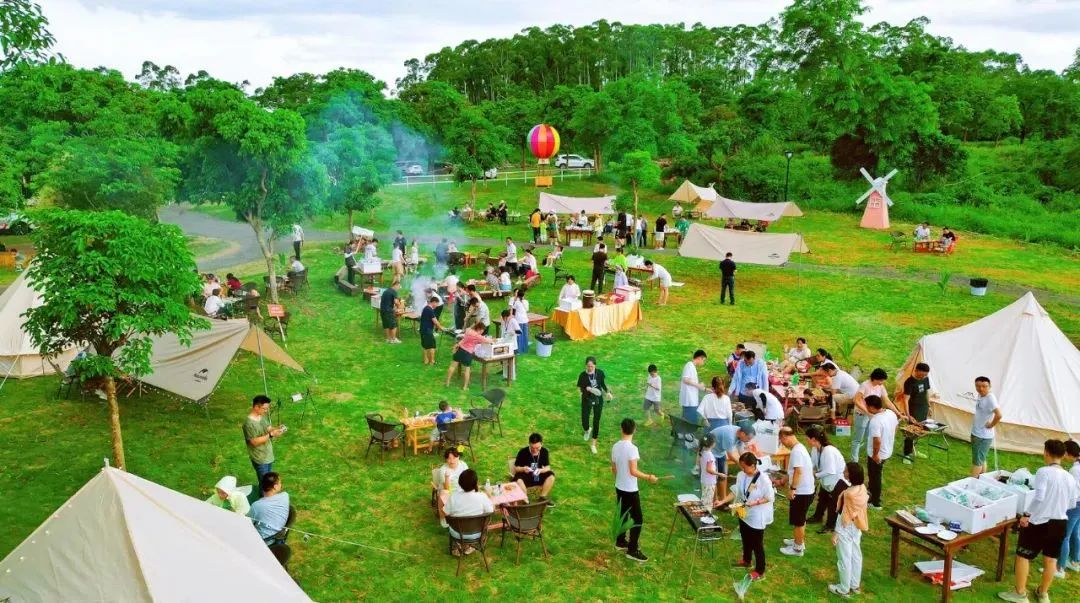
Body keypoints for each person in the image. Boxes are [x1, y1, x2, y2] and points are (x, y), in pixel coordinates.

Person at [998, 439, 1080, 603]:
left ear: (1046, 453)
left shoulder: (1044, 471)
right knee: (1051, 559)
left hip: (1040, 522)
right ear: (1062, 455)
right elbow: (1072, 503)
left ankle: (1020, 593)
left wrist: (1027, 514)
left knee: (1023, 556)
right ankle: (1043, 593)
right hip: (1060, 522)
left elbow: (1039, 497)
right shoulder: (1069, 476)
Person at [719, 451, 775, 582]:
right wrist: (722, 501)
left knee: (757, 544)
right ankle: (746, 560)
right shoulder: (741, 475)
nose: (743, 470)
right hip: (744, 512)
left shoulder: (763, 479)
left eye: (745, 467)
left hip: (757, 515)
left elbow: (770, 497)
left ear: (753, 465)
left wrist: (754, 503)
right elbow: (736, 491)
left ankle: (760, 571)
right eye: (741, 467)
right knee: (745, 537)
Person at [612, 418, 660, 563]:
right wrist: (648, 477)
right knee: (637, 519)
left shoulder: (615, 446)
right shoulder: (632, 449)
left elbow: (614, 469)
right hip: (630, 489)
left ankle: (620, 541)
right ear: (634, 430)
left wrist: (620, 478)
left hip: (619, 486)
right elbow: (633, 471)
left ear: (621, 429)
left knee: (623, 514)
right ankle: (632, 550)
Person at [829, 462, 869, 598]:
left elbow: (843, 515)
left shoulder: (848, 494)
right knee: (856, 555)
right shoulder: (862, 488)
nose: (844, 472)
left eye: (846, 471)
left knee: (844, 558)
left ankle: (843, 588)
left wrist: (836, 533)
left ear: (852, 475)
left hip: (846, 527)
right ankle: (854, 585)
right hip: (857, 526)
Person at [779, 427, 816, 557]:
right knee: (800, 519)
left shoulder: (796, 452)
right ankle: (798, 541)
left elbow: (798, 471)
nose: (783, 444)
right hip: (807, 490)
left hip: (802, 492)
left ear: (785, 437)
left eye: (781, 441)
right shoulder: (799, 448)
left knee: (798, 522)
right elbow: (792, 471)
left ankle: (797, 549)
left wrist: (792, 489)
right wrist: (782, 480)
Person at [850, 368, 899, 462]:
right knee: (858, 439)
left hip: (873, 415)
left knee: (870, 436)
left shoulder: (881, 387)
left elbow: (887, 401)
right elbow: (856, 400)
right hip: (861, 414)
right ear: (875, 378)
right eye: (881, 380)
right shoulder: (865, 385)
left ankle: (869, 455)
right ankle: (854, 460)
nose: (882, 382)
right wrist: (867, 412)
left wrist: (897, 412)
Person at [806, 426, 847, 532]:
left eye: (807, 438)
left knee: (833, 504)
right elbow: (812, 463)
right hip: (827, 480)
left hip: (838, 481)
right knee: (822, 498)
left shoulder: (828, 451)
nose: (806, 440)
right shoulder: (815, 449)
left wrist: (816, 475)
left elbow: (830, 470)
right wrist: (808, 471)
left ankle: (830, 526)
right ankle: (817, 517)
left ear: (813, 439)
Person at [865, 395, 898, 510]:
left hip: (878, 455)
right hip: (887, 450)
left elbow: (877, 441)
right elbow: (896, 427)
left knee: (875, 477)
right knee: (873, 475)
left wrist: (875, 455)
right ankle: (870, 493)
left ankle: (875, 503)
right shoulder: (890, 413)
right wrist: (890, 439)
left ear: (872, 407)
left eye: (867, 406)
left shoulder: (875, 421)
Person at [709, 422, 755, 502]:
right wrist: (742, 466)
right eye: (748, 438)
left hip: (720, 452)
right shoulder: (730, 436)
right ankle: (715, 501)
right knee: (714, 478)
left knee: (723, 476)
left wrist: (747, 462)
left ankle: (723, 500)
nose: (748, 441)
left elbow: (741, 452)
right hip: (710, 452)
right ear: (743, 434)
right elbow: (730, 455)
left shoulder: (740, 436)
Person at [896, 362, 932, 464]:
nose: (924, 376)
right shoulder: (909, 382)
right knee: (911, 432)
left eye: (925, 375)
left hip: (923, 408)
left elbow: (926, 392)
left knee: (919, 430)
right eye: (922, 374)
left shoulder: (925, 379)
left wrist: (929, 406)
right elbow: (905, 400)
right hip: (914, 409)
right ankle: (906, 454)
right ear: (917, 370)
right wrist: (908, 415)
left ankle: (914, 449)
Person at [244, 395, 283, 486]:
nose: (266, 411)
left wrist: (277, 429)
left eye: (267, 408)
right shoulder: (248, 424)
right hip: (260, 459)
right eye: (264, 408)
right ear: (256, 407)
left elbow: (268, 428)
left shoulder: (261, 417)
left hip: (268, 455)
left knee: (268, 483)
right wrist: (271, 435)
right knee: (265, 485)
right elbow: (254, 442)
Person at [445, 322, 493, 390]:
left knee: (452, 366)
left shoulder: (468, 330)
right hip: (468, 353)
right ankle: (465, 387)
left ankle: (447, 382)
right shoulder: (477, 336)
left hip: (460, 349)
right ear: (479, 329)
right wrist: (492, 340)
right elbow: (487, 341)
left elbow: (465, 337)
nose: (482, 332)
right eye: (482, 330)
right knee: (467, 370)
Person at [971, 375, 1003, 478]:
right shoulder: (981, 395)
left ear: (989, 386)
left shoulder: (990, 399)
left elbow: (999, 415)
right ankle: (982, 478)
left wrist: (991, 425)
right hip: (977, 433)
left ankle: (971, 482)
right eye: (978, 386)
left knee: (977, 461)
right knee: (981, 458)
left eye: (984, 386)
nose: (981, 389)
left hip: (983, 436)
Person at [578, 356, 610, 455]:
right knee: (584, 419)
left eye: (592, 366)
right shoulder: (583, 375)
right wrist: (586, 389)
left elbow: (603, 384)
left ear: (595, 365)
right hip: (586, 398)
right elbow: (580, 388)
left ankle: (593, 444)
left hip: (598, 398)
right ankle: (587, 430)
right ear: (586, 365)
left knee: (596, 420)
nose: (590, 368)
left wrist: (608, 392)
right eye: (588, 366)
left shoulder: (599, 373)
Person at [513, 432, 556, 504]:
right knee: (518, 480)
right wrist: (523, 469)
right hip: (525, 475)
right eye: (532, 448)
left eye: (537, 448)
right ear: (529, 444)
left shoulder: (544, 451)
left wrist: (541, 470)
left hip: (538, 474)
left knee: (551, 475)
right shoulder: (523, 452)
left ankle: (542, 497)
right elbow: (516, 468)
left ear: (541, 444)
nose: (535, 450)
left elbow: (547, 467)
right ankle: (526, 501)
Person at [1057, 440, 1080, 575]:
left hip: (1075, 504)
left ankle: (1059, 568)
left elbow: (1073, 491)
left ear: (1067, 453)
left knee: (1065, 535)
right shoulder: (1076, 467)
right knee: (1075, 532)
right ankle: (1074, 561)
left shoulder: (1075, 470)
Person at [250, 472, 290, 545]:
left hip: (264, 542)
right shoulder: (285, 496)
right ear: (275, 487)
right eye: (280, 483)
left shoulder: (256, 506)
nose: (281, 485)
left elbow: (247, 523)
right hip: (278, 537)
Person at [435, 447, 471, 528]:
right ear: (446, 459)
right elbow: (446, 488)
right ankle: (443, 518)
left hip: (462, 489)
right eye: (449, 458)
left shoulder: (463, 465)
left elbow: (468, 479)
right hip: (449, 491)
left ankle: (468, 514)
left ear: (458, 457)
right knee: (443, 492)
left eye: (454, 458)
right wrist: (447, 477)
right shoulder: (443, 469)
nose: (452, 461)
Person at [679, 350, 708, 424]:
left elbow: (692, 383)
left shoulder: (692, 367)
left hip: (692, 400)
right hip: (689, 400)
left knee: (691, 421)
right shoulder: (689, 365)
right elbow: (685, 379)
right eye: (703, 360)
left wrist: (705, 389)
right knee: (690, 423)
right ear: (699, 358)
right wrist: (698, 385)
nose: (703, 362)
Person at [699, 434, 724, 508]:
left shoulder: (702, 452)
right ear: (713, 444)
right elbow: (709, 469)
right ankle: (706, 512)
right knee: (708, 501)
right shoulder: (709, 455)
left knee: (704, 498)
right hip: (709, 482)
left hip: (704, 479)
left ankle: (702, 511)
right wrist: (720, 474)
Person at [420, 296, 445, 366]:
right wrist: (441, 328)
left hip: (423, 329)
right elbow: (435, 321)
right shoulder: (430, 310)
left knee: (425, 346)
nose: (437, 306)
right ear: (433, 302)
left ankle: (425, 360)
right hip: (427, 330)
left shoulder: (425, 308)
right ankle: (432, 361)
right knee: (432, 346)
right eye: (437, 304)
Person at [379, 279, 402, 344]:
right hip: (388, 311)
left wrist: (393, 307)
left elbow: (387, 301)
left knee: (386, 325)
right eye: (399, 287)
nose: (398, 289)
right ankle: (394, 339)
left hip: (382, 310)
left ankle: (388, 339)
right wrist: (399, 306)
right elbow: (396, 302)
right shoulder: (394, 291)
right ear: (396, 285)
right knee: (394, 325)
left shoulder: (386, 291)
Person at [511, 288, 530, 354]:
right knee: (525, 334)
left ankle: (519, 350)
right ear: (524, 295)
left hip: (518, 320)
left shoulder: (516, 302)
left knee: (519, 335)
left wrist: (515, 299)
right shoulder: (526, 302)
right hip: (525, 319)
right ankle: (525, 349)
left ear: (518, 295)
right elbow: (527, 310)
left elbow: (513, 309)